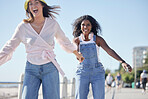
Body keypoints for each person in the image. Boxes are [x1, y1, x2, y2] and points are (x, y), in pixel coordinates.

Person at [0, 0, 84, 99]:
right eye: (30, 4)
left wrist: (76, 54)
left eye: (36, 2)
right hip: (31, 69)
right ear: (28, 9)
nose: (33, 6)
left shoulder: (52, 24)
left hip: (50, 68)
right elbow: (10, 46)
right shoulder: (23, 27)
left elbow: (64, 40)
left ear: (42, 5)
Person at [72, 15, 132, 99]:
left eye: (88, 24)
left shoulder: (98, 39)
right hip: (82, 72)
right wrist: (78, 54)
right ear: (80, 26)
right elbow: (75, 49)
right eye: (83, 24)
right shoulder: (77, 40)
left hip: (97, 72)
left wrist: (122, 62)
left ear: (92, 26)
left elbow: (109, 50)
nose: (85, 27)